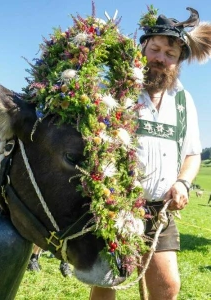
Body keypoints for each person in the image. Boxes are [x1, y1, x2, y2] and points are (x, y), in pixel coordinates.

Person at [90, 6, 211, 300]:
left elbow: (192, 154)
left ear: (178, 62)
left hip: (161, 210)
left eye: (170, 55)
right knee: (108, 282)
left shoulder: (183, 100)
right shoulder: (116, 89)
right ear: (142, 46)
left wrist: (182, 182)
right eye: (155, 49)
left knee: (167, 285)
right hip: (116, 207)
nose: (160, 58)